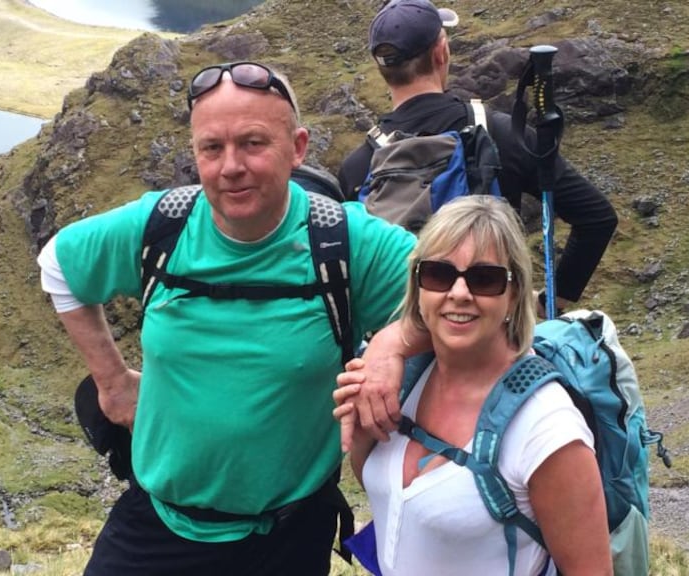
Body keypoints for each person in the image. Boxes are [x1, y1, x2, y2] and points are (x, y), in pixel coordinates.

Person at [36, 61, 416, 576]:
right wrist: (112, 383)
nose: (230, 166)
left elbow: (462, 295)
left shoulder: (346, 242)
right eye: (211, 148)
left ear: (298, 147)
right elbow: (58, 265)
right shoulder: (161, 227)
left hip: (288, 537)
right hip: (157, 527)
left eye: (252, 143)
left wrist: (391, 344)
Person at [333, 195, 612, 575]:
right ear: (418, 285)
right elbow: (392, 498)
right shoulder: (403, 380)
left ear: (515, 294)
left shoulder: (547, 428)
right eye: (439, 274)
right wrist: (367, 419)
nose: (459, 293)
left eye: (484, 279)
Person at [338, 0, 618, 319]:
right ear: (441, 52)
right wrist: (548, 301)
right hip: (490, 334)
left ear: (382, 68)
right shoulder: (500, 134)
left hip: (398, 336)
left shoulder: (358, 167)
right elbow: (597, 218)